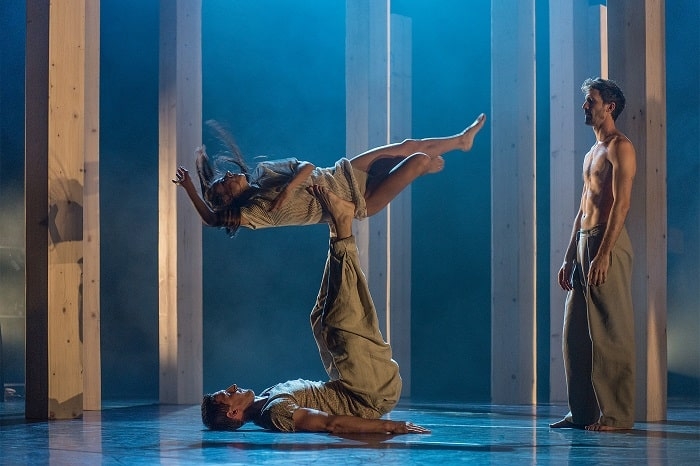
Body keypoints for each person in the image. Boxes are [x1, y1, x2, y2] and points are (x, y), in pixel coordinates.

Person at [200, 185, 429, 434]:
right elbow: (330, 423)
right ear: (233, 413)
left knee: (320, 318)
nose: (233, 387)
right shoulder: (275, 412)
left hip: (353, 384)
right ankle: (343, 227)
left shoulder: (268, 396)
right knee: (339, 322)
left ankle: (335, 229)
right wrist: (392, 426)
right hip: (369, 394)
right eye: (228, 394)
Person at [173, 114, 486, 236]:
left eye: (226, 174)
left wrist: (288, 189)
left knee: (407, 146)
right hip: (360, 200)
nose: (230, 174)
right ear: (230, 198)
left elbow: (307, 167)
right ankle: (422, 169)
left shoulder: (264, 172)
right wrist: (189, 188)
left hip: (345, 173)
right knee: (418, 160)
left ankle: (461, 141)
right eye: (225, 182)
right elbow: (211, 220)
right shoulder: (256, 212)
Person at [550, 77, 637, 432]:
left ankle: (617, 416)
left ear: (609, 107)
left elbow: (621, 205)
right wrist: (569, 256)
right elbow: (583, 208)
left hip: (607, 241)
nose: (585, 106)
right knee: (575, 334)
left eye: (591, 100)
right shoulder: (591, 153)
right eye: (586, 100)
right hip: (585, 241)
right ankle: (583, 413)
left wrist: (603, 254)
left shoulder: (621, 147)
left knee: (611, 330)